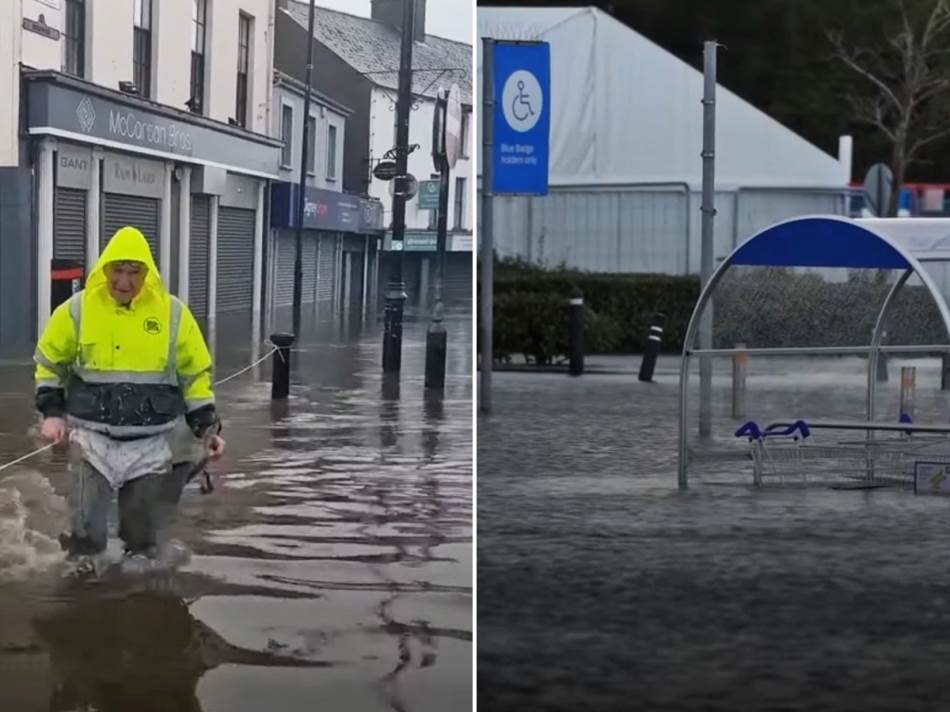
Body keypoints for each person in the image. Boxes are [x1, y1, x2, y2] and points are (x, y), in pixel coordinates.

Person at [33, 226, 225, 570]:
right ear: (104, 270)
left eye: (133, 272)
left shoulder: (174, 314)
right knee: (86, 538)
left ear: (146, 275)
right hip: (91, 441)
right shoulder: (76, 311)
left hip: (152, 446)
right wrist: (52, 413)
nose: (124, 281)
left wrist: (207, 429)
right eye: (117, 271)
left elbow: (195, 376)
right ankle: (84, 594)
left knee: (141, 542)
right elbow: (49, 364)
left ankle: (138, 598)